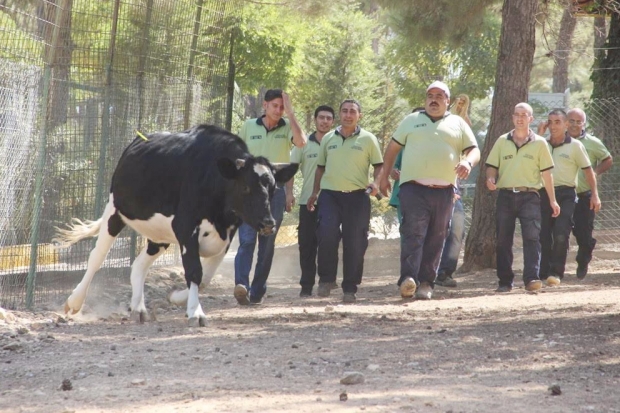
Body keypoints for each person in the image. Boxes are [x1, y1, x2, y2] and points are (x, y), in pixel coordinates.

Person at [379, 81, 480, 300]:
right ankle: (408, 279)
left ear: (447, 101)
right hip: (413, 189)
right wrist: (383, 176)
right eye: (430, 95)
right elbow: (392, 148)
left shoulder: (457, 123)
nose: (433, 99)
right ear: (425, 99)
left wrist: (468, 163)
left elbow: (473, 150)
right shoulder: (411, 121)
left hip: (444, 191)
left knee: (437, 237)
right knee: (413, 233)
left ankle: (426, 283)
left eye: (439, 95)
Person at [233, 89, 306, 305]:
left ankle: (257, 291)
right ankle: (241, 286)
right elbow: (235, 153)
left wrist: (291, 114)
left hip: (275, 192)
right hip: (249, 194)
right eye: (275, 105)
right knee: (246, 240)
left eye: (282, 106)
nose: (278, 110)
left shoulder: (287, 129)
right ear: (265, 105)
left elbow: (301, 142)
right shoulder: (248, 126)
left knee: (267, 243)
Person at [306, 99, 383, 303]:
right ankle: (327, 279)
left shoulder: (368, 139)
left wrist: (376, 183)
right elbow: (320, 167)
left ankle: (350, 287)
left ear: (360, 116)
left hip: (358, 196)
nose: (348, 115)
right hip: (330, 195)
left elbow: (379, 165)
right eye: (345, 111)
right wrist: (315, 192)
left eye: (352, 112)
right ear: (340, 114)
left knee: (355, 242)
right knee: (326, 234)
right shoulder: (329, 139)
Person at [485, 102, 560, 293]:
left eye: (524, 115)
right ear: (512, 117)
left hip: (531, 196)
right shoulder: (502, 141)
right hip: (506, 195)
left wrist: (552, 200)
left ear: (531, 119)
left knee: (532, 238)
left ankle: (531, 279)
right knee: (503, 239)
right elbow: (491, 165)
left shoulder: (540, 143)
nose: (520, 118)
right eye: (516, 114)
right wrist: (490, 177)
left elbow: (547, 174)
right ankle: (505, 281)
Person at [536, 109, 600, 286]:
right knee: (543, 234)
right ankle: (543, 272)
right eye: (550, 122)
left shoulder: (575, 146)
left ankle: (556, 272)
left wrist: (595, 194)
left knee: (561, 233)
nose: (553, 126)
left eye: (558, 122)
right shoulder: (541, 143)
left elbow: (588, 172)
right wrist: (540, 135)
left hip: (566, 194)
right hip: (543, 193)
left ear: (566, 125)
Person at [286, 105, 335, 297]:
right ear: (315, 120)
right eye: (321, 117)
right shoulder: (303, 142)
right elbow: (292, 168)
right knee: (306, 244)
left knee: (328, 242)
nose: (324, 121)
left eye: (328, 118)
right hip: (308, 201)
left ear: (333, 122)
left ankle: (326, 281)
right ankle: (306, 285)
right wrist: (289, 193)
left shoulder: (337, 141)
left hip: (333, 200)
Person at [567, 108, 613, 279]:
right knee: (558, 232)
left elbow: (608, 159)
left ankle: (583, 259)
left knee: (583, 234)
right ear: (566, 122)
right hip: (563, 194)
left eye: (578, 121)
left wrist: (596, 171)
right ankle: (553, 268)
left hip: (584, 194)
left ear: (583, 124)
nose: (574, 124)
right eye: (571, 120)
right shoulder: (558, 141)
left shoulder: (593, 142)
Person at [436, 94, 472, 288]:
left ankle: (444, 273)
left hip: (453, 189)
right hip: (431, 187)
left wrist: (463, 111)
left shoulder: (457, 127)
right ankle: (425, 271)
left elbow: (467, 135)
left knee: (457, 230)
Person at [388, 107, 425, 224]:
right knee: (406, 231)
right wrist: (393, 172)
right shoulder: (401, 143)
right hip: (404, 193)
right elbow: (393, 167)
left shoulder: (437, 143)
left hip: (428, 196)